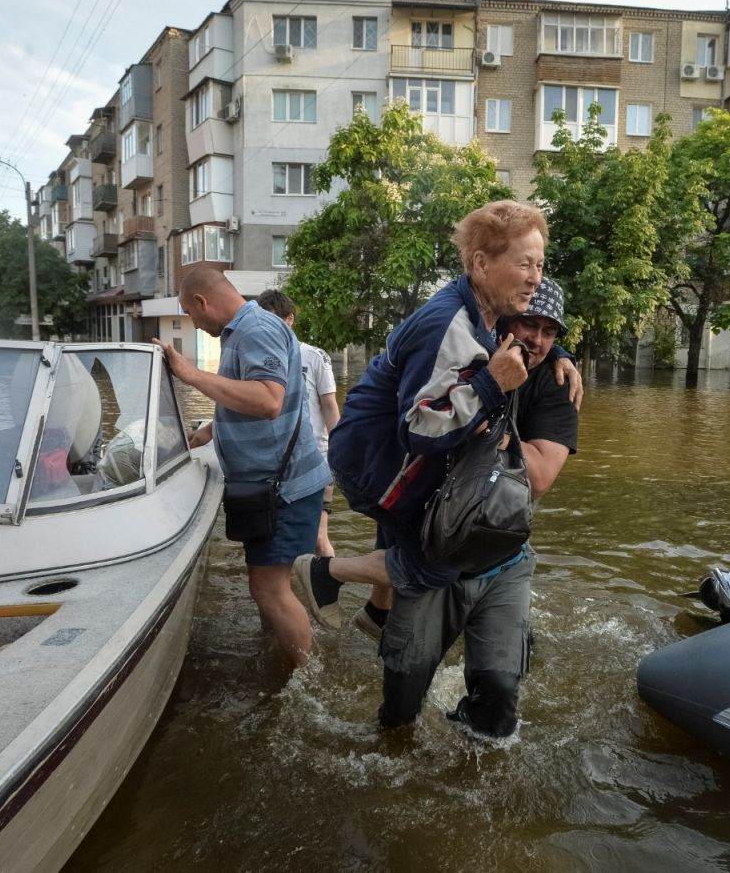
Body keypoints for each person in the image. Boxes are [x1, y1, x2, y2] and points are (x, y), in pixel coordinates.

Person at [294, 200, 578, 732]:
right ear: (480, 264)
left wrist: (561, 356)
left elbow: (526, 344)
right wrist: (493, 384)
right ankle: (324, 573)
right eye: (526, 264)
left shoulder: (484, 315)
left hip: (391, 461)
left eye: (540, 265)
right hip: (377, 466)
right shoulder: (451, 324)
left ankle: (378, 614)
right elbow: (419, 430)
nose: (535, 277)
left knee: (422, 545)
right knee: (432, 562)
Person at [154, 266, 330, 670]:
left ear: (202, 302)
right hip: (273, 487)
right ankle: (278, 660)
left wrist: (192, 374)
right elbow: (272, 401)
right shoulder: (244, 330)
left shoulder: (255, 329)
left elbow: (268, 400)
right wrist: (214, 429)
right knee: (269, 587)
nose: (195, 325)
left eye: (190, 314)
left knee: (269, 590)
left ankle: (310, 679)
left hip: (285, 489)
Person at [256, 290, 341, 558]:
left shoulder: (315, 356)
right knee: (277, 541)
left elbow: (329, 406)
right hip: (274, 466)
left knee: (318, 538)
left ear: (289, 319)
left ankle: (327, 595)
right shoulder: (258, 357)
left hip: (316, 459)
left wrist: (342, 452)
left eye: (273, 320)